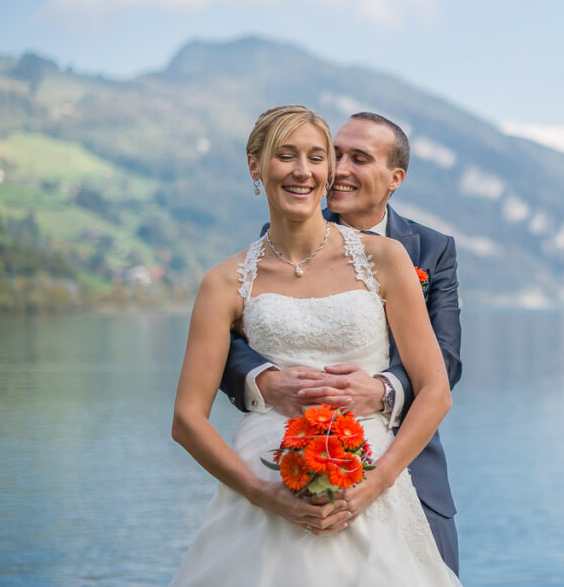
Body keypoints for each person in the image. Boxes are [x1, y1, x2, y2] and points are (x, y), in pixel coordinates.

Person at [171, 105, 459, 585]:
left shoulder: (389, 257)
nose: (303, 170)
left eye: (316, 157)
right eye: (286, 155)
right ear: (255, 165)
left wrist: (372, 485)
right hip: (264, 478)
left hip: (376, 476)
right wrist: (262, 492)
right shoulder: (225, 280)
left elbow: (439, 381)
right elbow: (186, 418)